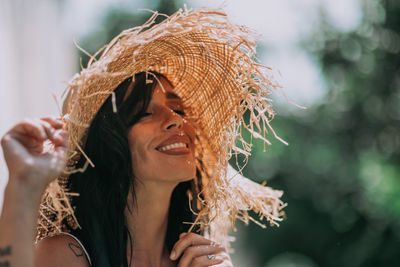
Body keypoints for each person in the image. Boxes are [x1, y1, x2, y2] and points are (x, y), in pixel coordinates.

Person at [0, 7, 286, 267]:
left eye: (177, 107)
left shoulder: (205, 261)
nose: (176, 119)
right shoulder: (65, 255)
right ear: (110, 143)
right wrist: (22, 185)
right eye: (145, 112)